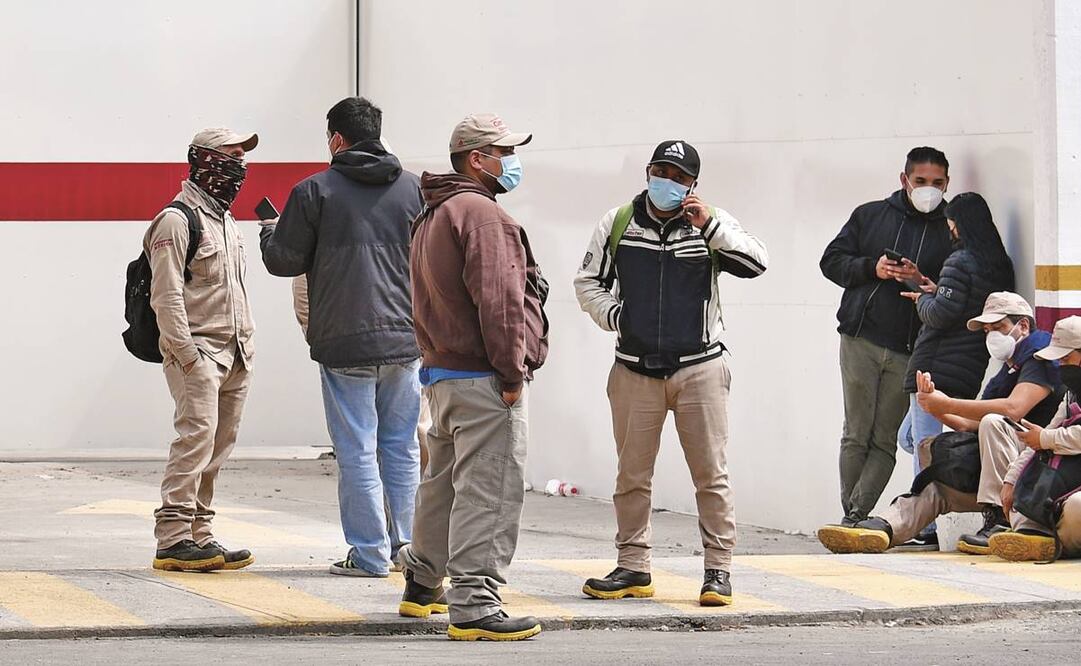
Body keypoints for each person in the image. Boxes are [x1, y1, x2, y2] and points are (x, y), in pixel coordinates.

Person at [574, 140, 768, 606]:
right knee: (632, 475)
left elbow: (756, 262)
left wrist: (710, 226)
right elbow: (588, 282)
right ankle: (633, 566)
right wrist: (618, 318)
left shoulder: (709, 223)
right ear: (647, 172)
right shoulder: (618, 223)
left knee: (711, 474)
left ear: (693, 184)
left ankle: (718, 570)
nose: (669, 182)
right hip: (634, 370)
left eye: (680, 177)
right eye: (662, 172)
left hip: (700, 368)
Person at [396, 113, 549, 641]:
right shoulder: (483, 216)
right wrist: (512, 372)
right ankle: (475, 603)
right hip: (484, 376)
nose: (513, 161)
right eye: (505, 152)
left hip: (442, 373)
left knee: (441, 484)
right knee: (490, 489)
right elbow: (500, 302)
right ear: (477, 159)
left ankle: (422, 583)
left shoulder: (433, 213)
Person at [259, 97, 423, 577]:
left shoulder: (314, 191)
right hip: (405, 340)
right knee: (402, 447)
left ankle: (369, 553)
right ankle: (409, 548)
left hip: (345, 341)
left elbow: (284, 261)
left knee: (357, 449)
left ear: (336, 138)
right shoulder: (415, 189)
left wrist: (270, 232)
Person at [816, 293, 1063, 555]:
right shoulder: (1009, 369)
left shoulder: (1040, 356)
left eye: (998, 327)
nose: (991, 336)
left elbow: (1014, 408)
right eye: (987, 330)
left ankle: (1000, 522)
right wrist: (934, 406)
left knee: (993, 422)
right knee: (935, 489)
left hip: (1036, 473)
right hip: (1002, 477)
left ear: (1022, 325)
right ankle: (883, 528)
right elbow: (967, 424)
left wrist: (948, 404)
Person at [820, 147, 954, 526]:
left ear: (947, 184)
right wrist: (872, 268)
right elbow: (831, 261)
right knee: (856, 432)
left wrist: (920, 279)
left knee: (884, 438)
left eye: (937, 183)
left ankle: (855, 515)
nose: (929, 189)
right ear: (904, 180)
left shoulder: (950, 229)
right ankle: (853, 516)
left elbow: (952, 289)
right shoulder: (870, 215)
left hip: (909, 348)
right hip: (860, 338)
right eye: (921, 181)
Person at [145, 127, 259, 572]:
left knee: (218, 445)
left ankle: (200, 534)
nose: (239, 167)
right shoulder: (176, 220)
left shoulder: (226, 221)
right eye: (231, 157)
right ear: (203, 160)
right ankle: (173, 538)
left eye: (242, 159)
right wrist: (188, 355)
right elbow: (165, 296)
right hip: (199, 354)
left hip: (236, 353)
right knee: (195, 440)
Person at [892, 191, 1016, 548]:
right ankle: (948, 480)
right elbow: (963, 305)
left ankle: (926, 526)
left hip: (934, 365)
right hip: (969, 366)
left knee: (923, 443)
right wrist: (936, 289)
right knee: (909, 437)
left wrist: (924, 299)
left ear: (958, 224)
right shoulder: (1000, 264)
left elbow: (940, 314)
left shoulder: (959, 260)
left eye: (951, 223)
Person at [991, 316, 1081, 561]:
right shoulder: (1071, 395)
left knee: (1077, 508)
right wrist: (1011, 480)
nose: (1061, 366)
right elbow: (1041, 437)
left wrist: (1045, 439)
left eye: (1066, 359)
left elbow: (1046, 437)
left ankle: (1049, 542)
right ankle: (1036, 536)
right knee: (1021, 501)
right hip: (1065, 485)